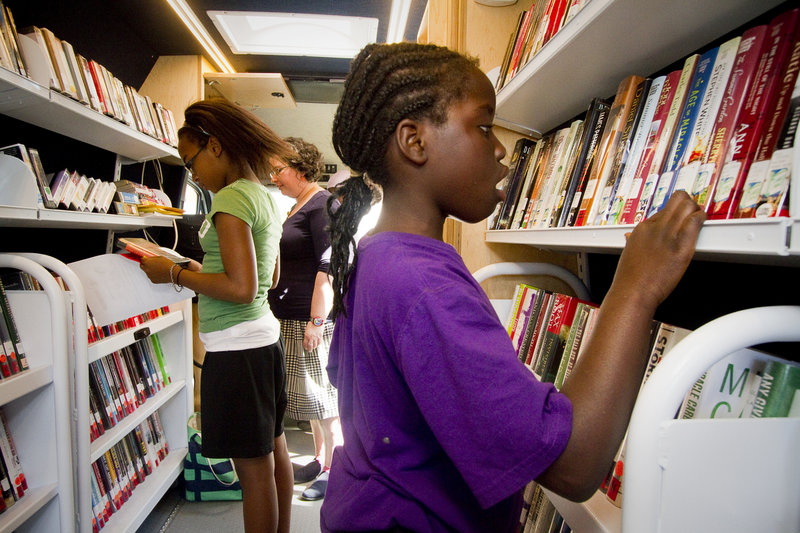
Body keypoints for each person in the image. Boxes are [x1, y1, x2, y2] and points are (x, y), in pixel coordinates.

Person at [319, 42, 706, 532]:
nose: (500, 149)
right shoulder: (423, 285)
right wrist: (635, 287)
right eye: (483, 126)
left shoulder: (378, 257)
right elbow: (573, 466)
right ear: (414, 141)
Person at [139, 98, 296, 533]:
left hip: (237, 350)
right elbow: (268, 275)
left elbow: (240, 288)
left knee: (253, 470)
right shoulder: (264, 196)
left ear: (214, 147)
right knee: (273, 448)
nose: (192, 174)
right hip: (264, 343)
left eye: (189, 162)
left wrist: (172, 272)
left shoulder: (229, 199)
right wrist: (201, 270)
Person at [267, 137, 342, 501]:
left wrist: (316, 321)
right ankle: (319, 459)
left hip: (311, 320)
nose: (274, 178)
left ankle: (335, 471)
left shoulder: (322, 205)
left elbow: (327, 268)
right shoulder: (299, 203)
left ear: (299, 168)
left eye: (278, 170)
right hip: (292, 317)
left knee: (326, 403)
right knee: (310, 402)